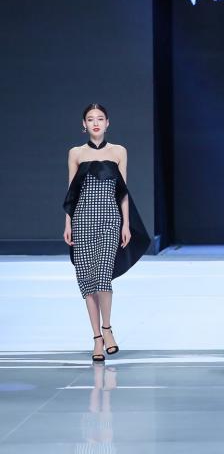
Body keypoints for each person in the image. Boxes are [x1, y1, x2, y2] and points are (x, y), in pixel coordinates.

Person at [63, 103, 150, 362]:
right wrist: (68, 223)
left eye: (100, 118)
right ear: (84, 125)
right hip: (82, 220)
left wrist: (126, 223)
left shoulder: (118, 151)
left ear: (107, 123)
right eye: (90, 119)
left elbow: (123, 190)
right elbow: (71, 192)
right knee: (87, 282)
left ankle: (108, 328)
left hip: (110, 219)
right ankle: (97, 339)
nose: (96, 123)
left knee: (103, 278)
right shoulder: (76, 153)